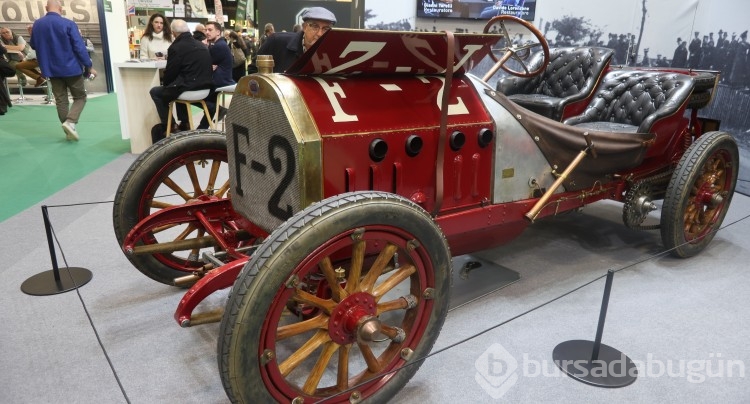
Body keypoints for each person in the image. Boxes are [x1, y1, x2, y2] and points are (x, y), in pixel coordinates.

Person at [31, 0, 96, 141]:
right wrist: (89, 66)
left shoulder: (37, 25)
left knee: (61, 101)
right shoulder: (68, 24)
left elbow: (34, 45)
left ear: (46, 8)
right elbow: (79, 47)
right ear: (61, 8)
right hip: (71, 68)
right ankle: (71, 122)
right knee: (80, 97)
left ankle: (68, 131)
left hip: (51, 69)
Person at [149, 19, 213, 141]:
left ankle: (170, 124)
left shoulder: (176, 47)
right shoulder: (202, 45)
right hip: (206, 88)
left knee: (156, 92)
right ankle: (185, 123)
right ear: (188, 30)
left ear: (173, 33)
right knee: (176, 88)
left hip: (189, 89)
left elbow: (170, 74)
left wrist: (166, 84)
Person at [184, 21, 234, 129]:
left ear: (218, 32)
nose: (207, 32)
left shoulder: (218, 46)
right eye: (205, 30)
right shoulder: (219, 44)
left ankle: (210, 115)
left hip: (219, 81)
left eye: (210, 30)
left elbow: (200, 63)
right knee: (209, 101)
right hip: (219, 79)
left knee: (186, 92)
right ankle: (202, 127)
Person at [258, 7, 337, 73]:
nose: (320, 33)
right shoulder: (276, 42)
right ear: (304, 27)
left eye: (325, 29)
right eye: (315, 26)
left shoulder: (334, 53)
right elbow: (254, 71)